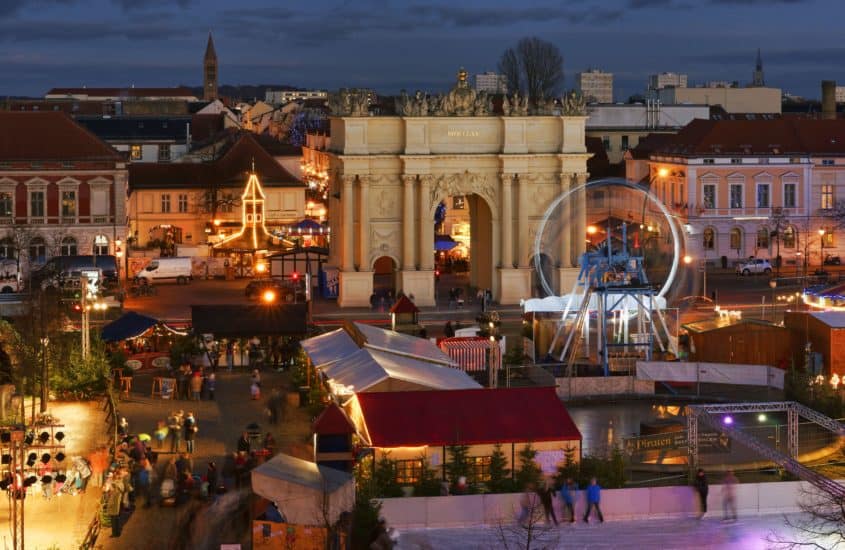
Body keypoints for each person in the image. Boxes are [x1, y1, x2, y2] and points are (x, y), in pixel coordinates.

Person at [106, 470, 126, 538]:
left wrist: (112, 487)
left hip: (115, 503)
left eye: (116, 475)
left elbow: (119, 491)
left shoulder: (118, 483)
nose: (115, 476)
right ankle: (116, 532)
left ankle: (115, 533)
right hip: (114, 502)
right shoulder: (117, 482)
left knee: (114, 519)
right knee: (114, 518)